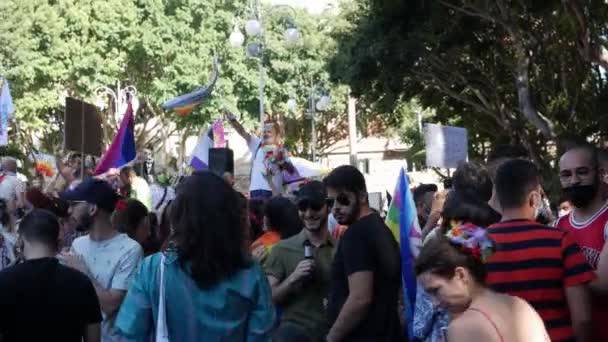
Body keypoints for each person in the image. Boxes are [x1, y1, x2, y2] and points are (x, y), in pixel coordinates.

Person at [115, 171, 275, 340]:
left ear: (177, 218)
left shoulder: (152, 270)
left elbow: (130, 333)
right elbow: (261, 335)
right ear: (232, 218)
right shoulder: (250, 273)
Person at [488, 159, 596, 342]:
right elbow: (583, 318)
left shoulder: (476, 245)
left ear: (498, 198)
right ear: (534, 198)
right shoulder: (560, 241)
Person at [415, 224, 550, 342]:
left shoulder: (463, 327)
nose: (435, 302)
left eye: (436, 290)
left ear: (461, 275)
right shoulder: (521, 305)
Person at [59, 178, 144, 342]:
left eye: (75, 204)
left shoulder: (130, 250)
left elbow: (111, 305)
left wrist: (82, 272)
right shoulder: (77, 244)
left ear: (92, 208)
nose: (70, 210)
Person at [323, 165, 402, 341]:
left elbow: (360, 298)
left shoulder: (356, 234)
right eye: (330, 202)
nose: (335, 207)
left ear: (362, 196)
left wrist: (330, 338)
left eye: (343, 199)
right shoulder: (380, 228)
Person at [0, 209, 102, 342]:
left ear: (21, 241)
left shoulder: (4, 281)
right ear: (58, 243)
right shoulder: (81, 282)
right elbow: (93, 338)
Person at [264, 181, 336, 341]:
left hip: (331, 333)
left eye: (315, 206)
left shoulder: (340, 250)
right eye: (303, 207)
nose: (309, 214)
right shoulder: (281, 249)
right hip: (292, 333)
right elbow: (269, 298)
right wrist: (293, 278)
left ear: (328, 207)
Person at [555, 144, 608, 340]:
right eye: (566, 175)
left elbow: (604, 283)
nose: (574, 181)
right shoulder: (558, 224)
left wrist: (554, 271)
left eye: (582, 172)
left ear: (600, 173)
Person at [227, 112, 294, 199]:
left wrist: (282, 162)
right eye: (264, 131)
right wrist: (233, 121)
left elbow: (291, 171)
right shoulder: (257, 144)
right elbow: (242, 132)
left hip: (272, 192)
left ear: (277, 134)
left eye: (269, 132)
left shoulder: (281, 151)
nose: (265, 134)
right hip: (255, 191)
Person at [251, 196, 302, 262]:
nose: (263, 218)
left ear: (272, 219)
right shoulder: (302, 237)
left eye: (265, 214)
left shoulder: (261, 244)